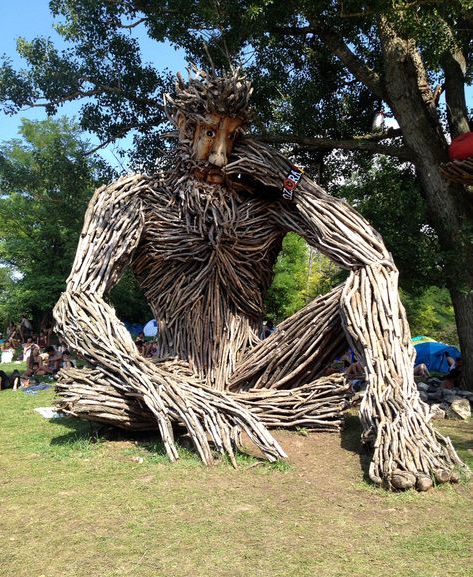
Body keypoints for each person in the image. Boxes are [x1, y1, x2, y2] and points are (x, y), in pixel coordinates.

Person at [52, 68, 451, 485]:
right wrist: (144, 377)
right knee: (85, 396)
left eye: (235, 137)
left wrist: (285, 175)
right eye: (210, 134)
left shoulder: (267, 203)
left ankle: (399, 424)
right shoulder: (135, 199)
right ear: (183, 127)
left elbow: (370, 255)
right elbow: (78, 300)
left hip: (258, 367)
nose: (221, 155)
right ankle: (241, 406)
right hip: (171, 373)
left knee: (370, 275)